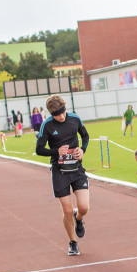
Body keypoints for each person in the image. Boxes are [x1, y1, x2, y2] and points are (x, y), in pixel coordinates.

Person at [35, 94, 90, 256]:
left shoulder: (74, 118)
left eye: (63, 112)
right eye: (57, 114)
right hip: (60, 172)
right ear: (51, 113)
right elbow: (39, 149)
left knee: (84, 207)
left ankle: (78, 218)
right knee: (66, 211)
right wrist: (56, 151)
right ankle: (72, 242)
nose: (61, 116)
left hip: (77, 168)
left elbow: (85, 136)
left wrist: (83, 150)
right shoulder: (47, 125)